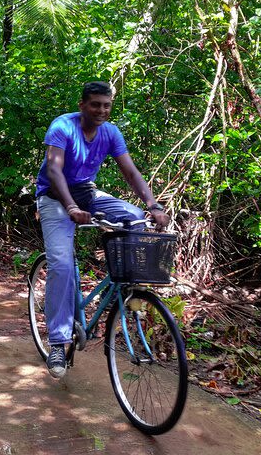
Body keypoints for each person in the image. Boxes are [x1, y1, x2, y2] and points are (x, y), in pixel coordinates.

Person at [35, 81, 170, 379]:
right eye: (95, 104)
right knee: (61, 265)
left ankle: (123, 288)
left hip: (86, 193)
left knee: (135, 218)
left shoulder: (110, 132)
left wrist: (153, 205)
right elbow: (54, 169)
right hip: (55, 198)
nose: (101, 110)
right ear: (82, 105)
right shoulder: (62, 127)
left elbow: (131, 171)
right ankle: (58, 340)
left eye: (106, 105)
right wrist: (70, 207)